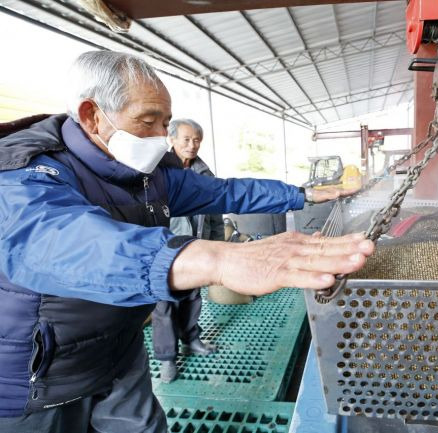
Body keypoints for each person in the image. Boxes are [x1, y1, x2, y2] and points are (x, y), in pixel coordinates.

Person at [0, 51, 373, 433]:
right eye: (148, 121)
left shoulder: (148, 175)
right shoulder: (26, 172)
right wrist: (220, 260)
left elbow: (228, 192)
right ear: (92, 116)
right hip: (36, 380)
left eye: (165, 123)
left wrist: (303, 194)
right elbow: (63, 242)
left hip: (120, 353)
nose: (163, 139)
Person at [153, 118, 222, 383]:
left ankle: (191, 340)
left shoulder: (203, 172)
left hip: (195, 247)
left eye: (197, 140)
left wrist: (216, 244)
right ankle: (168, 358)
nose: (192, 145)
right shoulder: (156, 171)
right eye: (186, 139)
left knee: (193, 298)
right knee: (165, 305)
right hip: (165, 251)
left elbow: (215, 209)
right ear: (171, 139)